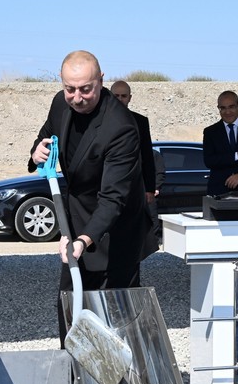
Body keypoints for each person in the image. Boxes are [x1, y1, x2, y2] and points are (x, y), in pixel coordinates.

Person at [28, 50, 157, 342]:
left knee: (114, 317)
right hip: (75, 220)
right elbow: (47, 134)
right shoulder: (60, 103)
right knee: (70, 306)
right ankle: (74, 374)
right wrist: (37, 151)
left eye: (86, 89)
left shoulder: (121, 126)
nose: (77, 97)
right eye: (70, 89)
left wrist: (85, 240)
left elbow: (113, 198)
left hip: (116, 233)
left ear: (101, 80)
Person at [110, 80, 164, 240]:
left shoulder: (140, 122)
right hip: (107, 184)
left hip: (135, 185)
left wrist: (149, 188)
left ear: (130, 98)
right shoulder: (99, 120)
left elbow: (147, 155)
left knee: (133, 229)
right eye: (116, 96)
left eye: (123, 96)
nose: (120, 99)